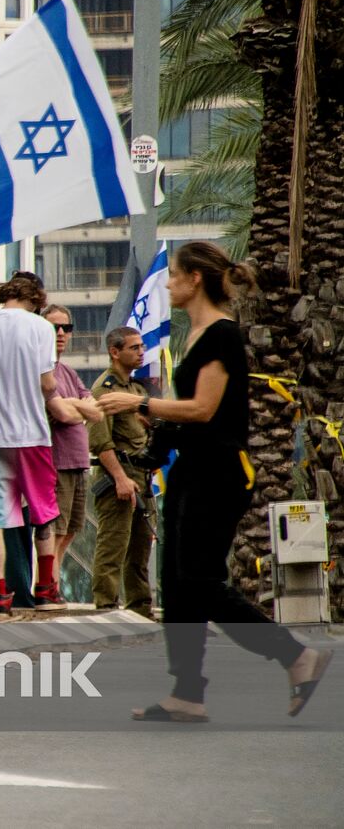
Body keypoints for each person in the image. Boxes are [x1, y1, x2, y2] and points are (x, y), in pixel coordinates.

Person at [97, 242, 332, 722]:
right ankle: (186, 693)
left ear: (195, 279)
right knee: (177, 584)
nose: (167, 283)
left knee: (200, 583)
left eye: (174, 275)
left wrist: (138, 404)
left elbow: (204, 409)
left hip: (219, 472)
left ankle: (295, 655)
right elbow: (188, 417)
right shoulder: (196, 333)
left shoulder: (220, 335)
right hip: (191, 469)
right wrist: (150, 438)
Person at [0, 271, 85, 615]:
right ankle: (45, 589)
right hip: (30, 434)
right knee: (42, 512)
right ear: (37, 300)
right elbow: (45, 382)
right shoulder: (39, 328)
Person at [87, 326, 154, 616]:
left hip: (140, 476)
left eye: (141, 347)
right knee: (113, 545)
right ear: (115, 352)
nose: (141, 352)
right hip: (118, 477)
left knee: (140, 549)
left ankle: (140, 607)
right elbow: (101, 442)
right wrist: (120, 478)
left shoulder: (136, 390)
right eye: (134, 348)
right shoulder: (106, 390)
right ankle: (107, 607)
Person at [43, 304, 104, 599]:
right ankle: (48, 588)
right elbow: (65, 414)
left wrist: (74, 405)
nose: (60, 333)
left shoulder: (67, 371)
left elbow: (95, 410)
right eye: (53, 327)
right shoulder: (43, 371)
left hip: (78, 462)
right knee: (54, 533)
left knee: (69, 532)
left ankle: (52, 587)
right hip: (56, 462)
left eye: (66, 328)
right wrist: (77, 406)